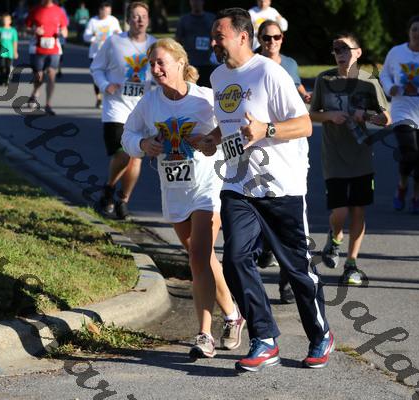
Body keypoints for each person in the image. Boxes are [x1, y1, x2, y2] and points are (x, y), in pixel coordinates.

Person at [193, 7, 332, 372]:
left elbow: (304, 125)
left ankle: (320, 334)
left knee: (297, 269)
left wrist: (266, 129)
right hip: (238, 184)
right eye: (214, 36)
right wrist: (213, 138)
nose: (213, 42)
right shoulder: (218, 76)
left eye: (219, 36)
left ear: (242, 37)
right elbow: (230, 123)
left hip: (280, 187)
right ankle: (264, 338)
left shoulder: (270, 72)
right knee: (235, 259)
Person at [122, 38, 245, 358]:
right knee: (202, 257)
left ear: (180, 63)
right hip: (175, 190)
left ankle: (204, 334)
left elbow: (233, 127)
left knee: (199, 257)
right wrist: (143, 145)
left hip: (208, 187)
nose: (155, 68)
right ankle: (233, 315)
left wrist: (211, 142)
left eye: (161, 62)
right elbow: (128, 135)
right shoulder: (150, 102)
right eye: (151, 64)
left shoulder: (205, 98)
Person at [310, 32, 391, 286]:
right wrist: (330, 116)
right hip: (334, 154)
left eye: (345, 48)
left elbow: (386, 119)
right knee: (340, 211)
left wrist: (365, 115)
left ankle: (351, 264)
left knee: (358, 210)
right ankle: (335, 238)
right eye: (336, 49)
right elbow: (312, 114)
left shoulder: (368, 81)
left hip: (361, 155)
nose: (340, 53)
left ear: (358, 52)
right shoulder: (325, 79)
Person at [255, 19, 312, 304]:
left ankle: (287, 282)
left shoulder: (289, 64)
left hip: (293, 148)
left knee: (293, 215)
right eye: (267, 38)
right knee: (267, 204)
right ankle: (266, 242)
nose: (272, 42)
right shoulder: (252, 66)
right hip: (264, 151)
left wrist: (306, 95)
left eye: (276, 37)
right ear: (259, 39)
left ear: (282, 38)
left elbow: (298, 91)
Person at [90, 2, 156, 220]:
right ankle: (109, 187)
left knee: (136, 158)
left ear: (148, 19)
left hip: (141, 109)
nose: (140, 20)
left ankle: (122, 200)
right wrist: (105, 85)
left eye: (143, 16)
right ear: (128, 20)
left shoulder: (155, 45)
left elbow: (161, 72)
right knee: (124, 154)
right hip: (116, 108)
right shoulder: (114, 42)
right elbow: (96, 68)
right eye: (135, 16)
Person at [380, 16, 419, 214]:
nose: (417, 33)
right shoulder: (396, 52)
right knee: (409, 153)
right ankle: (402, 185)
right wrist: (390, 87)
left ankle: (416, 195)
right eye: (414, 29)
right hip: (402, 110)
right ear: (408, 32)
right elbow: (384, 74)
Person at [25, 0, 68, 116]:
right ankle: (35, 92)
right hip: (37, 48)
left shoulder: (59, 11)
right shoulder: (35, 10)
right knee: (39, 76)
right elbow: (26, 28)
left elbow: (65, 29)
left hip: (54, 49)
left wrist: (63, 33)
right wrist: (34, 30)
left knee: (51, 74)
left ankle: (48, 104)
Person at [83, 1, 121, 108]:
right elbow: (85, 37)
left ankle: (107, 98)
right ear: (100, 10)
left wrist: (118, 34)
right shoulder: (93, 21)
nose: (107, 13)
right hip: (95, 54)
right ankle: (98, 98)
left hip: (110, 54)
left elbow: (120, 33)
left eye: (109, 11)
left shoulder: (113, 20)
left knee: (109, 77)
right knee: (96, 77)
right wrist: (94, 37)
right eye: (105, 11)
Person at [175, 0, 216, 88]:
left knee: (208, 90)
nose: (196, 3)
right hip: (190, 63)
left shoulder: (211, 18)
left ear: (203, 1)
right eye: (193, 0)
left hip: (208, 63)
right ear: (190, 2)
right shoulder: (184, 20)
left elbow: (217, 37)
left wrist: (214, 43)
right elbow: (177, 41)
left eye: (198, 0)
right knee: (189, 89)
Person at [0, 13, 18, 86]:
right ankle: (1, 77)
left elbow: (15, 42)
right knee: (1, 66)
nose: (5, 21)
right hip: (1, 51)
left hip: (10, 52)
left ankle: (7, 79)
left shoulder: (13, 30)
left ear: (10, 21)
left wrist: (15, 52)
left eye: (7, 20)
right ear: (2, 21)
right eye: (4, 20)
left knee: (8, 67)